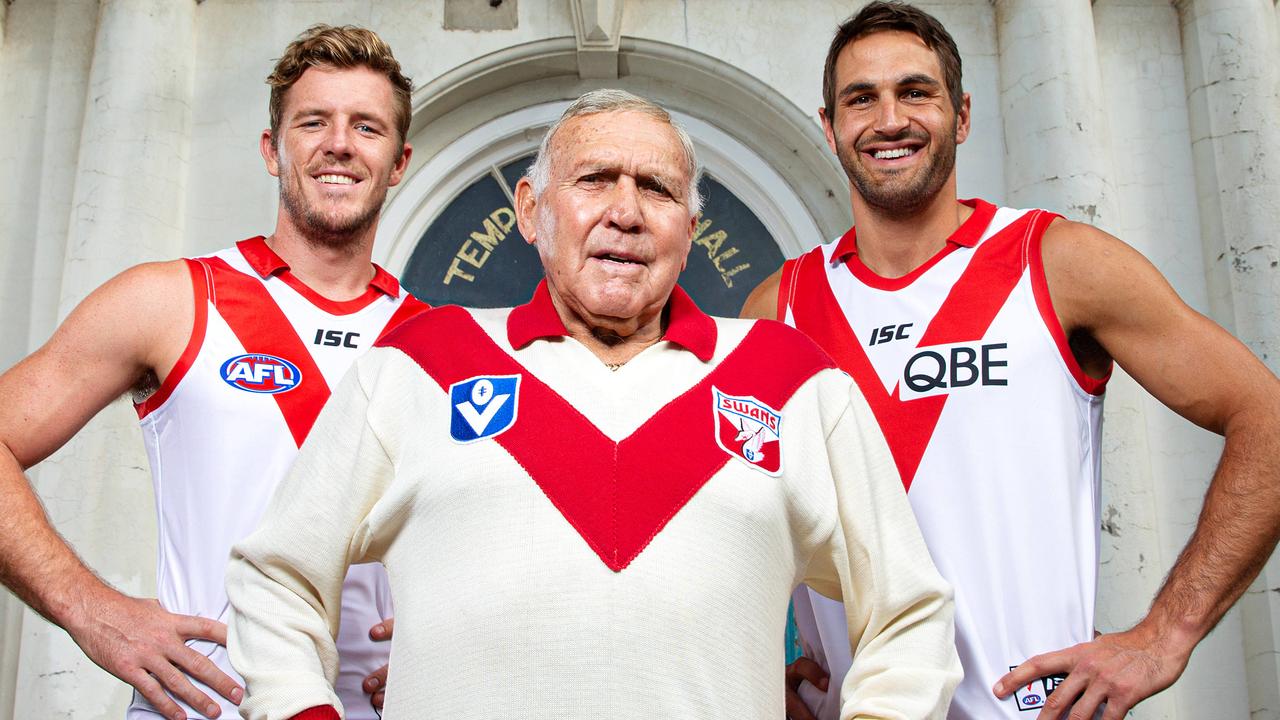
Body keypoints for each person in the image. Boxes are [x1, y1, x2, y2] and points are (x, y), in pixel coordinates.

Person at [224, 89, 961, 720]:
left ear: (690, 231)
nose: (626, 212)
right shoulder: (419, 363)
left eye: (658, 189)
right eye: (594, 179)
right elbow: (278, 577)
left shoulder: (794, 380)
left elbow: (908, 613)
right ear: (530, 210)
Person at [741, 3, 1280, 720]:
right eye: (860, 98)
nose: (889, 119)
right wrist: (751, 666)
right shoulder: (777, 308)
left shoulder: (1058, 263)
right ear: (830, 125)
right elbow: (736, 518)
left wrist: (1163, 635)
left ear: (961, 116)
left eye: (916, 91)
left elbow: (1266, 416)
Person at [0, 24, 426, 720]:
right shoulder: (169, 300)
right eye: (313, 121)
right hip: (205, 705)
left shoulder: (442, 340)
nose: (340, 144)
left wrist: (451, 630)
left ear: (399, 160)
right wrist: (90, 609)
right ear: (271, 148)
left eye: (367, 127)